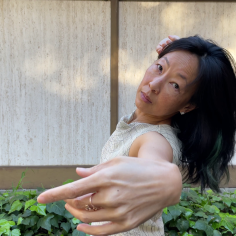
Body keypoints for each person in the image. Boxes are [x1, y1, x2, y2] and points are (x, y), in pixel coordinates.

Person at [37, 35, 236, 235]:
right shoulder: (139, 121)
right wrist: (173, 53)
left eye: (175, 85)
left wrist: (168, 179)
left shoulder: (154, 138)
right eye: (159, 67)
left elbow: (155, 161)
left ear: (188, 105)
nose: (153, 85)